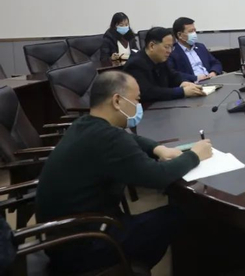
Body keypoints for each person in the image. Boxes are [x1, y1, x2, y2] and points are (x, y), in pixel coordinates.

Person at [35, 71, 212, 274]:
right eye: (136, 100)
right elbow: (158, 176)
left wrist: (157, 148)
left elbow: (129, 139)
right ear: (117, 101)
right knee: (183, 212)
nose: (138, 105)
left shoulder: (85, 124)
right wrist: (195, 155)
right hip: (86, 245)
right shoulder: (108, 139)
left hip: (65, 237)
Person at [123, 27, 204, 102]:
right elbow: (148, 92)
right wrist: (182, 91)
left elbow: (173, 76)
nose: (170, 51)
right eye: (167, 47)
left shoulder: (161, 59)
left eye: (171, 47)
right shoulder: (135, 64)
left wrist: (183, 83)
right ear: (152, 46)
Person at [168, 17, 223, 82]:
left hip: (211, 80)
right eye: (191, 31)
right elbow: (173, 74)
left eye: (194, 30)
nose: (194, 34)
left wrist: (213, 72)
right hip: (193, 84)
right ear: (179, 35)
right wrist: (195, 78)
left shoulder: (200, 47)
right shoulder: (172, 52)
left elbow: (216, 63)